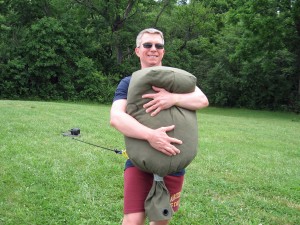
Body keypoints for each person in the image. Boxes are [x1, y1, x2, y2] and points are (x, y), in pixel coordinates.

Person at [110, 28, 209, 225]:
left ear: (163, 51)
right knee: (134, 219)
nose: (153, 49)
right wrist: (151, 136)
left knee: (160, 220)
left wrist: (172, 98)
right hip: (139, 161)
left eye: (158, 46)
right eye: (147, 45)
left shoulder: (176, 79)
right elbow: (116, 117)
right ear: (138, 50)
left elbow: (202, 99)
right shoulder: (128, 83)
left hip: (173, 163)